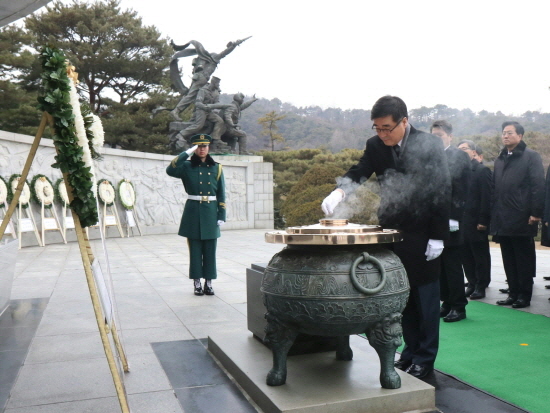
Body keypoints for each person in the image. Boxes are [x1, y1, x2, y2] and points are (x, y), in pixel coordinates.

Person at [322, 95, 451, 379]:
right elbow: (361, 170)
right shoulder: (375, 144)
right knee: (401, 296)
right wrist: (341, 190)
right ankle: (408, 352)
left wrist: (438, 236)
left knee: (425, 300)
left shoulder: (428, 144)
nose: (382, 134)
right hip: (393, 229)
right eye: (377, 128)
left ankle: (425, 358)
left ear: (404, 122)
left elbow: (441, 188)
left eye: (387, 128)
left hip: (425, 230)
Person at [492, 121, 545, 309]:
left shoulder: (531, 157)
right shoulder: (500, 159)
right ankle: (512, 293)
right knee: (508, 258)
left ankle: (524, 295)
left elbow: (538, 186)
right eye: (503, 133)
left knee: (523, 259)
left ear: (520, 136)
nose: (505, 136)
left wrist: (536, 213)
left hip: (523, 216)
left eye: (509, 133)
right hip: (503, 217)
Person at [166, 134, 226, 296]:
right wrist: (186, 153)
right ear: (194, 148)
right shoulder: (186, 166)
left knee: (210, 250)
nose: (202, 149)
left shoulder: (217, 167)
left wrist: (222, 214)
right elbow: (170, 170)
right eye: (198, 146)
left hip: (211, 212)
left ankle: (209, 282)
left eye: (204, 146)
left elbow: (221, 193)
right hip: (193, 212)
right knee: (195, 250)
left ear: (209, 147)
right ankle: (197, 282)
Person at [430, 121, 471, 322]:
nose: (436, 138)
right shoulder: (430, 158)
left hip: (452, 219)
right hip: (435, 219)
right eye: (433, 135)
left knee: (453, 264)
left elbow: (462, 188)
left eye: (440, 135)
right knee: (440, 266)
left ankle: (459, 306)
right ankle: (446, 302)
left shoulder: (459, 155)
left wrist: (454, 216)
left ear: (450, 136)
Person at [457, 140, 492, 299]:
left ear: (473, 152)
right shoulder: (459, 170)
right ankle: (471, 282)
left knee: (480, 255)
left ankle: (481, 285)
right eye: (459, 149)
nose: (462, 152)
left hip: (476, 221)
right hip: (461, 221)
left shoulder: (482, 170)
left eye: (465, 149)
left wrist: (483, 220)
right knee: (465, 255)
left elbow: (487, 197)